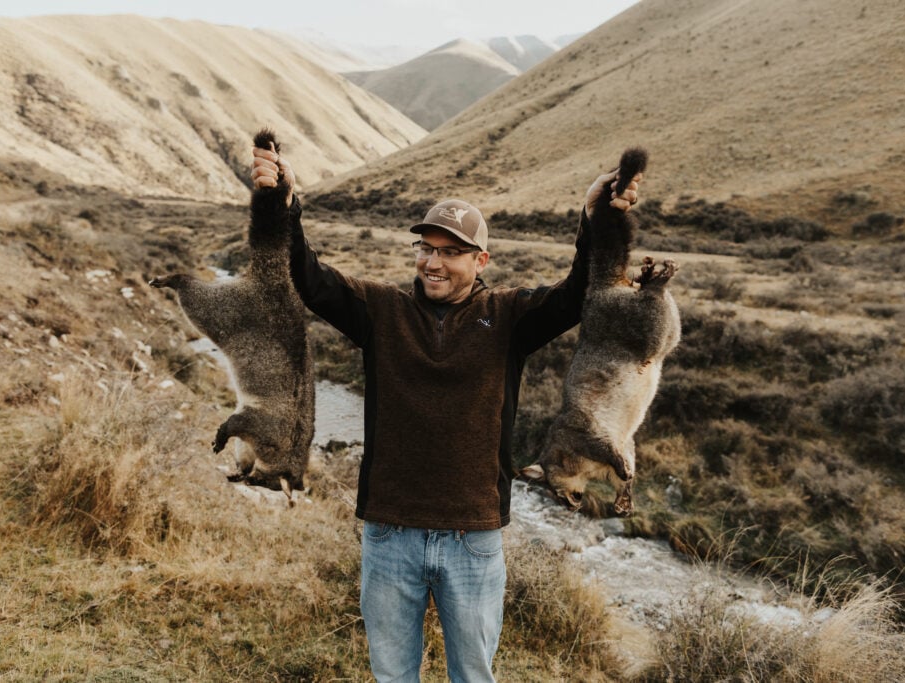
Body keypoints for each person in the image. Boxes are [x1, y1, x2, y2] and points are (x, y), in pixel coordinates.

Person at [251, 144, 639, 682]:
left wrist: (596, 219)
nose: (433, 262)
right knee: (393, 676)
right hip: (390, 534)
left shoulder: (511, 317)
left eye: (450, 252)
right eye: (426, 248)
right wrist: (284, 204)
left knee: (474, 677)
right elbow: (309, 278)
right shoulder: (379, 311)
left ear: (480, 260)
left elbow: (577, 295)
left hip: (473, 538)